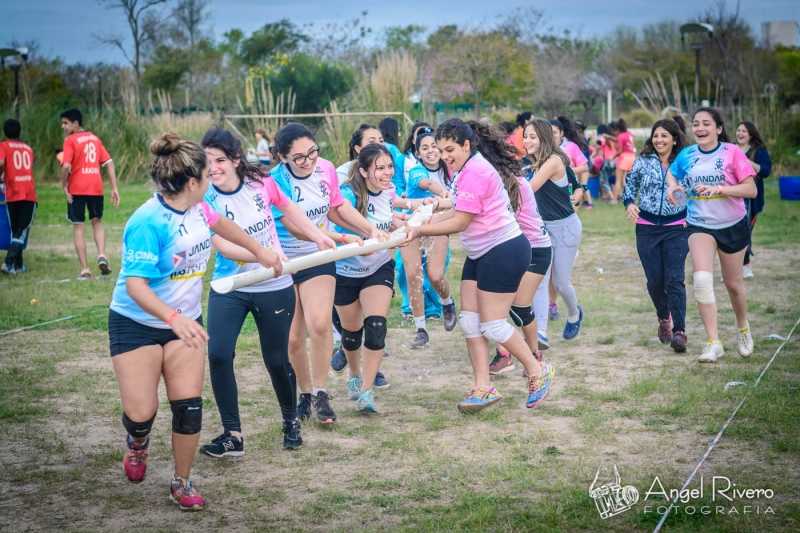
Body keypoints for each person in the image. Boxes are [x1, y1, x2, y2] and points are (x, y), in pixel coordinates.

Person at [108, 133, 283, 510]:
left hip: (185, 324)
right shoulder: (147, 222)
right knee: (141, 413)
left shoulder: (200, 208)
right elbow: (136, 286)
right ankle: (137, 441)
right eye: (207, 173)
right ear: (192, 182)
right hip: (136, 324)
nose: (212, 177)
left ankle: (182, 481)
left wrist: (260, 251)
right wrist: (172, 317)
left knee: (188, 408)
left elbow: (224, 226)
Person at [198, 128, 336, 457]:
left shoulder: (261, 183)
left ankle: (291, 421)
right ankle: (232, 434)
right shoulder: (204, 196)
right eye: (207, 161)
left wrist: (317, 236)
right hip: (231, 286)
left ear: (235, 159)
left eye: (219, 160)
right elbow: (222, 244)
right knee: (218, 354)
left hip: (274, 286)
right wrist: (259, 255)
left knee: (276, 359)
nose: (213, 168)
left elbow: (289, 209)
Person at [405, 119, 554, 413]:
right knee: (469, 322)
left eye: (450, 150)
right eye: (441, 150)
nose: (445, 156)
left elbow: (460, 222)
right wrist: (416, 221)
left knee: (493, 325)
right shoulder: (462, 170)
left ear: (466, 145)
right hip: (480, 253)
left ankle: (537, 370)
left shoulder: (475, 171)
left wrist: (420, 230)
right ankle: (483, 387)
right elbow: (456, 209)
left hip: (503, 250)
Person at [271, 122, 380, 424]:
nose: (308, 161)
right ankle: (305, 393)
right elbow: (293, 225)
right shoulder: (274, 180)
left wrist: (368, 228)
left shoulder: (326, 169)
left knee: (319, 324)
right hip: (285, 260)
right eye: (299, 158)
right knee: (294, 338)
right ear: (283, 157)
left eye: (312, 152)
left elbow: (336, 207)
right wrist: (333, 237)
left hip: (318, 257)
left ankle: (321, 392)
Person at [666, 107, 757, 363]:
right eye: (696, 123)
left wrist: (720, 189)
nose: (700, 128)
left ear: (718, 128)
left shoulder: (732, 152)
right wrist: (673, 188)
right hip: (699, 224)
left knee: (733, 284)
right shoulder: (687, 155)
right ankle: (713, 342)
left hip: (732, 224)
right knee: (702, 280)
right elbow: (672, 174)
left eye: (706, 123)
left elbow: (751, 190)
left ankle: (743, 328)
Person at [464, 121, 552, 376]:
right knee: (495, 308)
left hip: (534, 248)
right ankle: (506, 355)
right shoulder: (483, 176)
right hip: (508, 246)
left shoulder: (505, 181)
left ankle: (534, 356)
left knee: (518, 306)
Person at [335, 143, 418, 413]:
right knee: (351, 333)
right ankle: (354, 374)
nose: (387, 173)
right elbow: (341, 219)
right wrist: (365, 235)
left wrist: (401, 227)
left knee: (376, 326)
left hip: (378, 267)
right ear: (363, 171)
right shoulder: (347, 195)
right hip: (345, 270)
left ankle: (367, 390)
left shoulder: (388, 191)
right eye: (379, 168)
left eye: (389, 167)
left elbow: (386, 218)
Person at [622, 119, 689, 352]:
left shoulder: (684, 163)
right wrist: (629, 203)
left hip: (676, 227)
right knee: (655, 281)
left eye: (664, 136)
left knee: (675, 279)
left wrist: (678, 195)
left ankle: (680, 331)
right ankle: (663, 317)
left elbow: (688, 196)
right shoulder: (643, 161)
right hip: (647, 227)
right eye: (656, 135)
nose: (659, 140)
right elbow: (630, 186)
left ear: (674, 139)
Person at [523, 119, 585, 342]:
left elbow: (528, 190)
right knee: (540, 280)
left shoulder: (553, 161)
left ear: (544, 139)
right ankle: (541, 332)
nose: (526, 141)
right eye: (525, 136)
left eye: (532, 137)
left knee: (560, 283)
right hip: (542, 229)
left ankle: (575, 313)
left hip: (566, 227)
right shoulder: (530, 163)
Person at [401, 126, 457, 347]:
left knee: (435, 275)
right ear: (418, 153)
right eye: (425, 148)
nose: (431, 151)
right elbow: (426, 183)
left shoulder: (450, 171)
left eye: (434, 146)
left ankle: (447, 302)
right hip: (412, 226)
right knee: (413, 274)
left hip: (437, 226)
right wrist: (442, 193)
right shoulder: (416, 170)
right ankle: (421, 329)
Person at [59, 108, 120, 279]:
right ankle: (101, 254)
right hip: (95, 187)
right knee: (97, 221)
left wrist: (63, 185)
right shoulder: (95, 138)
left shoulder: (70, 140)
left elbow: (66, 166)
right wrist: (114, 188)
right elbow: (109, 162)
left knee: (78, 226)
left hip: (77, 188)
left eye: (65, 123)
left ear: (75, 123)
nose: (63, 126)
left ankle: (85, 269)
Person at [734, 121, 772, 279]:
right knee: (731, 233)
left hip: (751, 200)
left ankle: (746, 265)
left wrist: (747, 162)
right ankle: (733, 269)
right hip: (732, 197)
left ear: (751, 134)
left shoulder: (759, 150)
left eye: (744, 131)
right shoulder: (731, 149)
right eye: (738, 130)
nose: (740, 133)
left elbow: (766, 171)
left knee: (745, 232)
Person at [0, 119, 36, 274]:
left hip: (12, 193)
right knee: (21, 230)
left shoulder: (3, 146)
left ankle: (18, 265)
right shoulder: (28, 148)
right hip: (28, 193)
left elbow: (1, 162)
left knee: (16, 229)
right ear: (19, 131)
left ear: (4, 132)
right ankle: (9, 263)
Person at [556, 116, 593, 208]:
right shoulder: (578, 139)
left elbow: (584, 163)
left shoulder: (572, 144)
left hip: (581, 167)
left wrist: (569, 170)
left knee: (583, 186)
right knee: (581, 186)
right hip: (579, 168)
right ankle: (584, 202)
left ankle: (588, 203)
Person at [610, 118, 636, 203]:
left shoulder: (620, 136)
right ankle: (630, 198)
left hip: (624, 158)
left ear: (618, 129)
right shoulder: (630, 134)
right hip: (632, 157)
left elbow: (620, 151)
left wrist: (613, 156)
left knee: (618, 180)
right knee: (628, 181)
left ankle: (614, 200)